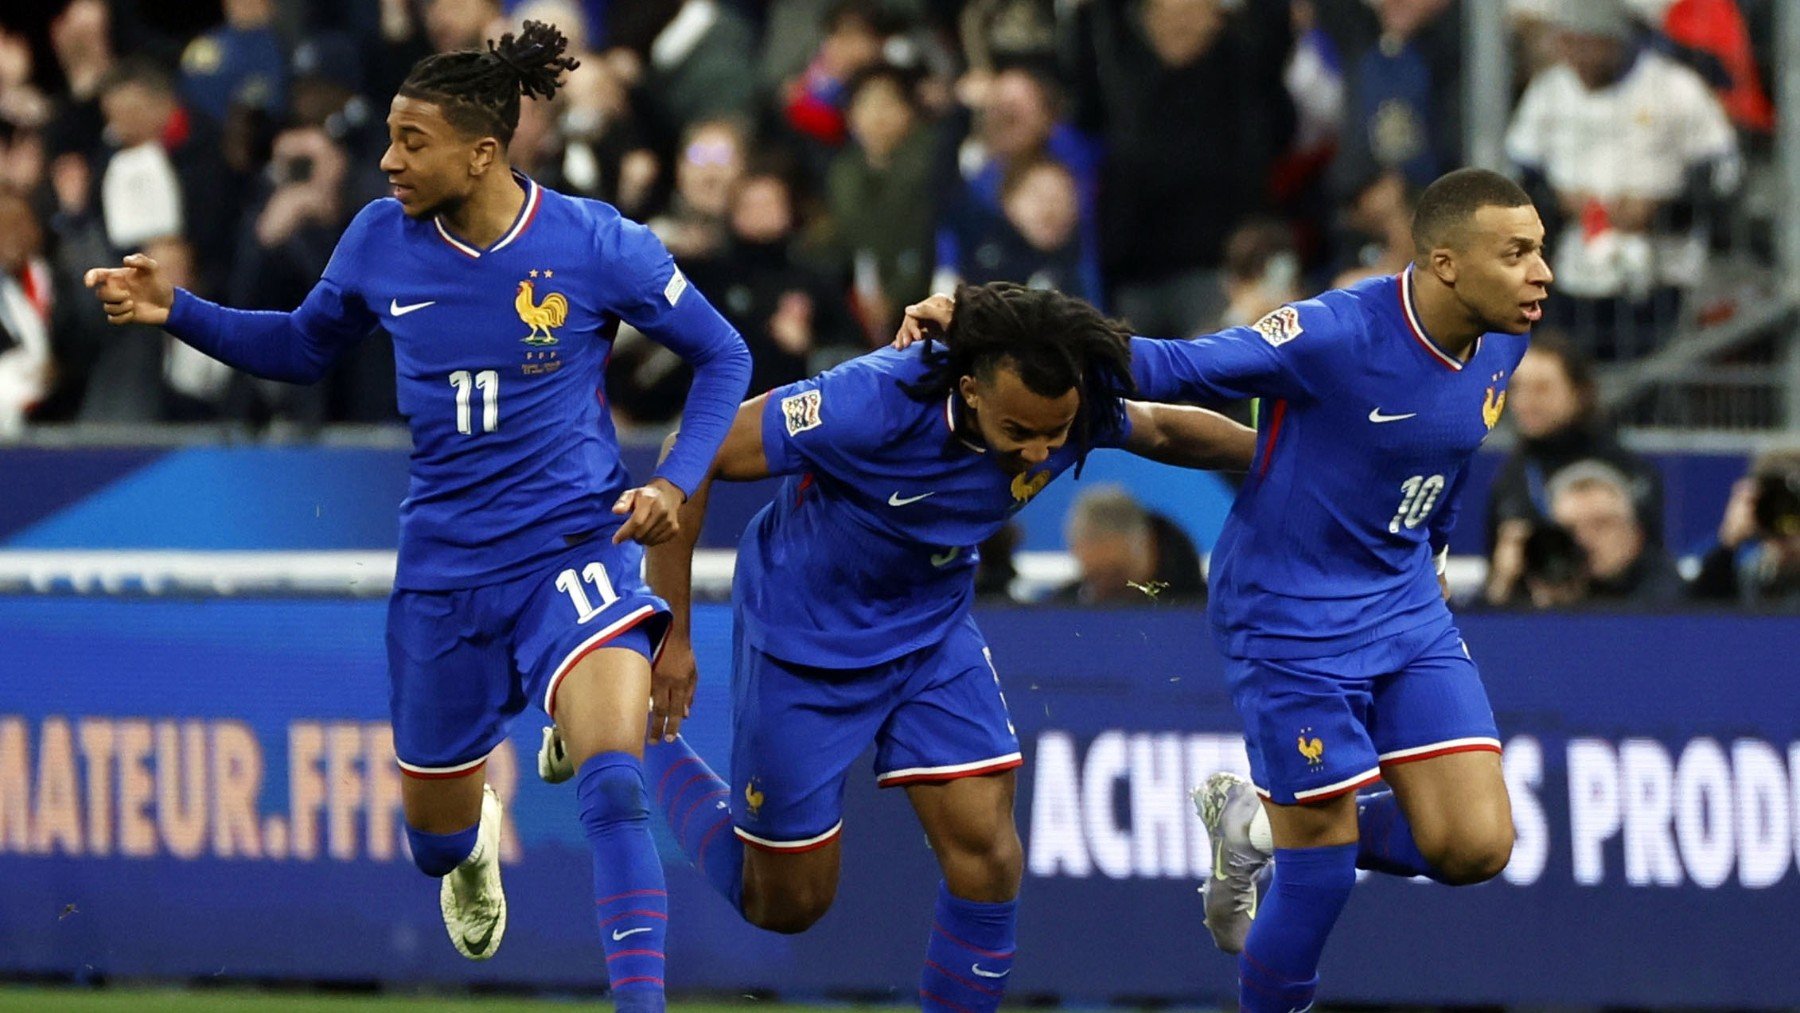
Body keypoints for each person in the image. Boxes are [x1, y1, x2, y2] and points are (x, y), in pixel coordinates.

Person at [84, 22, 752, 1011]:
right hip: (446, 571)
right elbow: (301, 347)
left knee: (615, 782)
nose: (388, 159)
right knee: (433, 840)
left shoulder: (596, 241)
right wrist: (175, 308)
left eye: (411, 139)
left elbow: (724, 355)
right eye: (390, 137)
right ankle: (471, 839)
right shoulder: (376, 239)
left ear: (484, 151)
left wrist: (671, 480)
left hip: (575, 541)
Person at [544, 283, 1255, 1012]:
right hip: (804, 637)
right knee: (785, 903)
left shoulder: (1067, 394)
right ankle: (622, 730)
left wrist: (1272, 460)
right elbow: (691, 454)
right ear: (970, 388)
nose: (1042, 449)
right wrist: (673, 632)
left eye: (1058, 431)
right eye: (1021, 431)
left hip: (931, 628)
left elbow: (1164, 430)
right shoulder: (872, 400)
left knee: (989, 857)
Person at [1029, 167, 1546, 1012]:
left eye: (1542, 251)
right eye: (1517, 252)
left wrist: (1438, 546)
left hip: (1404, 604)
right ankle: (1284, 855)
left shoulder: (1506, 337)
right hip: (1288, 617)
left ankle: (1254, 823)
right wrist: (1007, 325)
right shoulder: (1334, 332)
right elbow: (1172, 368)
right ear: (1445, 262)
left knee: (1476, 846)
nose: (1542, 272)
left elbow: (1449, 451)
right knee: (1321, 875)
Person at [1546, 459, 1684, 604]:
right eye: (1570, 529)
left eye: (1601, 524)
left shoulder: (1667, 600)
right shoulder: (1538, 587)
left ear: (1635, 535)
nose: (1583, 539)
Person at [1690, 450, 1800, 607]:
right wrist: (1728, 544)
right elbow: (1695, 620)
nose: (1782, 513)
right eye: (1773, 503)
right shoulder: (1749, 574)